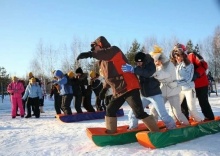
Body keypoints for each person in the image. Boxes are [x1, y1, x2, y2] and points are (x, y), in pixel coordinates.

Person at [77, 36, 159, 133]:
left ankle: (156, 131)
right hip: (118, 90)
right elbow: (108, 78)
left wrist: (89, 54)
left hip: (129, 87)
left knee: (138, 113)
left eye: (94, 48)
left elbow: (105, 54)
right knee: (110, 110)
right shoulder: (102, 62)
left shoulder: (114, 51)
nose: (94, 50)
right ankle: (111, 133)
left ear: (100, 45)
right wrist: (104, 89)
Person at [122, 52, 176, 130]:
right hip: (144, 95)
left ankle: (172, 127)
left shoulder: (151, 65)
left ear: (143, 61)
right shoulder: (139, 67)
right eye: (137, 63)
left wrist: (133, 69)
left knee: (162, 114)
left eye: (139, 62)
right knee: (133, 112)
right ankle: (133, 128)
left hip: (155, 94)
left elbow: (147, 73)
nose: (138, 64)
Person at [150, 45, 189, 125]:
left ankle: (187, 126)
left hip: (173, 92)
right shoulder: (158, 67)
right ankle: (153, 127)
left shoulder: (169, 66)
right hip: (162, 92)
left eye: (156, 61)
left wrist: (153, 73)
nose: (155, 63)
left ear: (161, 59)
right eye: (154, 61)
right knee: (154, 110)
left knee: (177, 113)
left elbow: (165, 75)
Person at [176, 43, 215, 121]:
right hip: (187, 86)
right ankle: (185, 119)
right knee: (183, 103)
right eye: (175, 50)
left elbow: (204, 65)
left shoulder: (192, 55)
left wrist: (196, 74)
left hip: (200, 84)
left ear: (183, 50)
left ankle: (209, 118)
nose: (177, 52)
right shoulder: (177, 59)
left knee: (203, 101)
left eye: (179, 49)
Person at [170, 46, 203, 122]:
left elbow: (188, 79)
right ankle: (172, 122)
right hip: (179, 89)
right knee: (174, 107)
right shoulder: (176, 66)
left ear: (183, 55)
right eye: (175, 57)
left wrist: (176, 83)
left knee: (191, 108)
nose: (177, 58)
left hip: (189, 89)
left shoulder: (189, 65)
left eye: (178, 56)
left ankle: (199, 122)